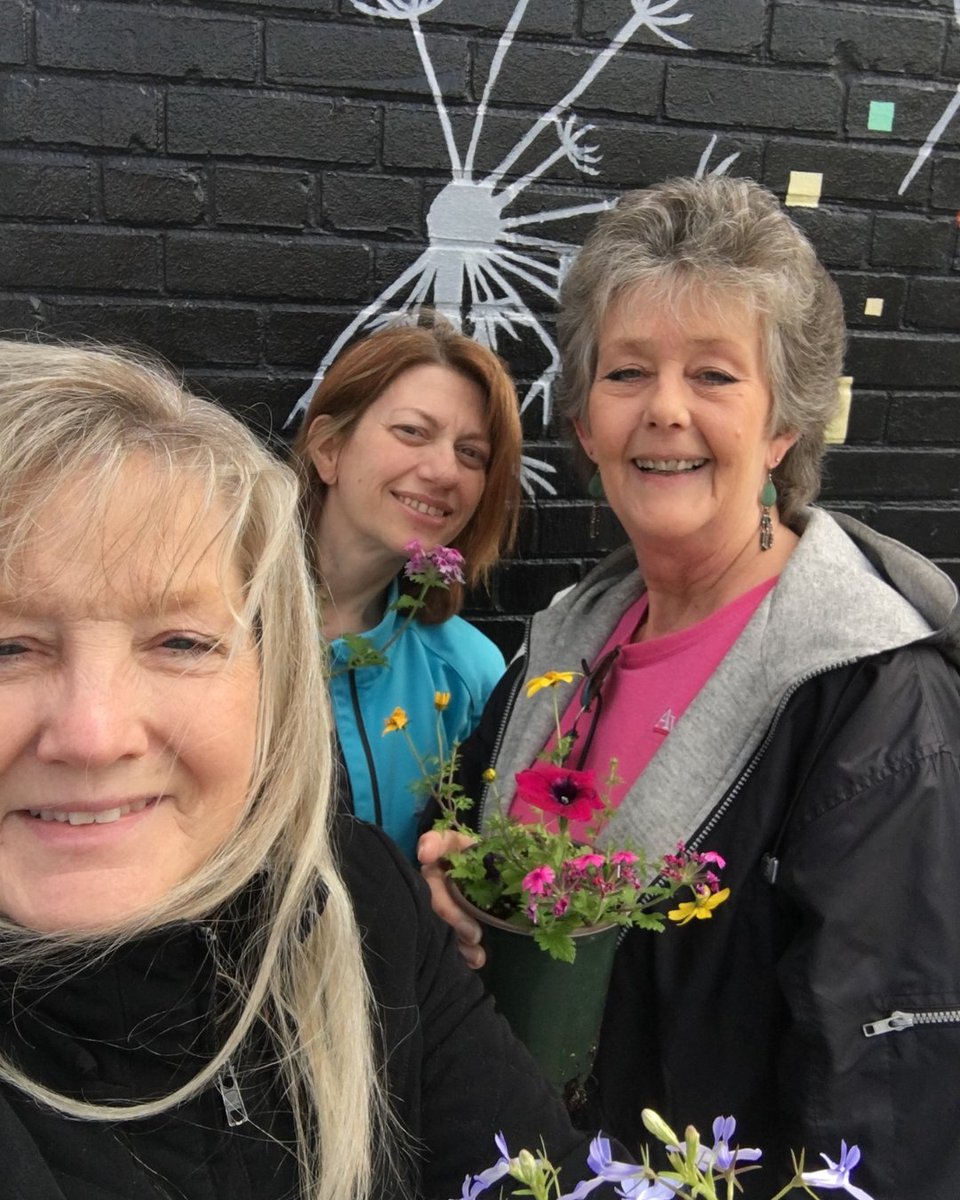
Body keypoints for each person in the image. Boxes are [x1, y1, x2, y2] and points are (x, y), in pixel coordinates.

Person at [419, 176, 960, 1198]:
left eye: (714, 375)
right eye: (627, 373)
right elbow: (505, 914)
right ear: (584, 422)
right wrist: (455, 894)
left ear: (783, 429)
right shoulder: (561, 646)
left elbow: (885, 1096)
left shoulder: (871, 694)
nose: (664, 409)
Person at [0, 340, 616, 1200]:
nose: (95, 735)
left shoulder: (456, 695)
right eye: (8, 647)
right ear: (326, 448)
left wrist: (466, 890)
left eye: (181, 644)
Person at [289, 316, 522, 858]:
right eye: (412, 432)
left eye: (472, 454)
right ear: (329, 450)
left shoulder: (468, 671)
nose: (444, 472)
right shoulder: (218, 630)